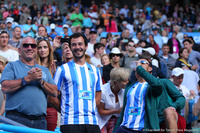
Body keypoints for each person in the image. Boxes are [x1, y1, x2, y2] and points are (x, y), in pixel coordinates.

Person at [0, 36, 57, 129]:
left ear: (36, 50)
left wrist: (41, 81)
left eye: (33, 46)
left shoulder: (44, 70)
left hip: (40, 121)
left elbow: (54, 92)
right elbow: (5, 87)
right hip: (16, 119)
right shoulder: (11, 66)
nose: (30, 48)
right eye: (26, 45)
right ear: (19, 50)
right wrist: (27, 79)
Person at [53, 33, 102, 133]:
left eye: (80, 44)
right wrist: (65, 111)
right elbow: (52, 97)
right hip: (70, 123)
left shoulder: (95, 70)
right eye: (74, 45)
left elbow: (98, 93)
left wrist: (90, 107)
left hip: (92, 122)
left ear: (86, 46)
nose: (77, 47)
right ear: (70, 47)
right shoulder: (62, 70)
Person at [114, 59, 164, 132]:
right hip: (124, 128)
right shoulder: (129, 86)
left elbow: (158, 85)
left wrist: (140, 68)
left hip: (142, 130)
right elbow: (125, 109)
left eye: (143, 63)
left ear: (150, 68)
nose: (139, 64)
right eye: (137, 63)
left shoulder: (152, 86)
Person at [97, 68, 130, 133]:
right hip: (102, 120)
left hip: (117, 120)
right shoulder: (103, 91)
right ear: (116, 82)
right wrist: (117, 111)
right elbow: (100, 111)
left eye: (127, 80)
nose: (127, 82)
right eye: (125, 81)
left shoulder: (125, 90)